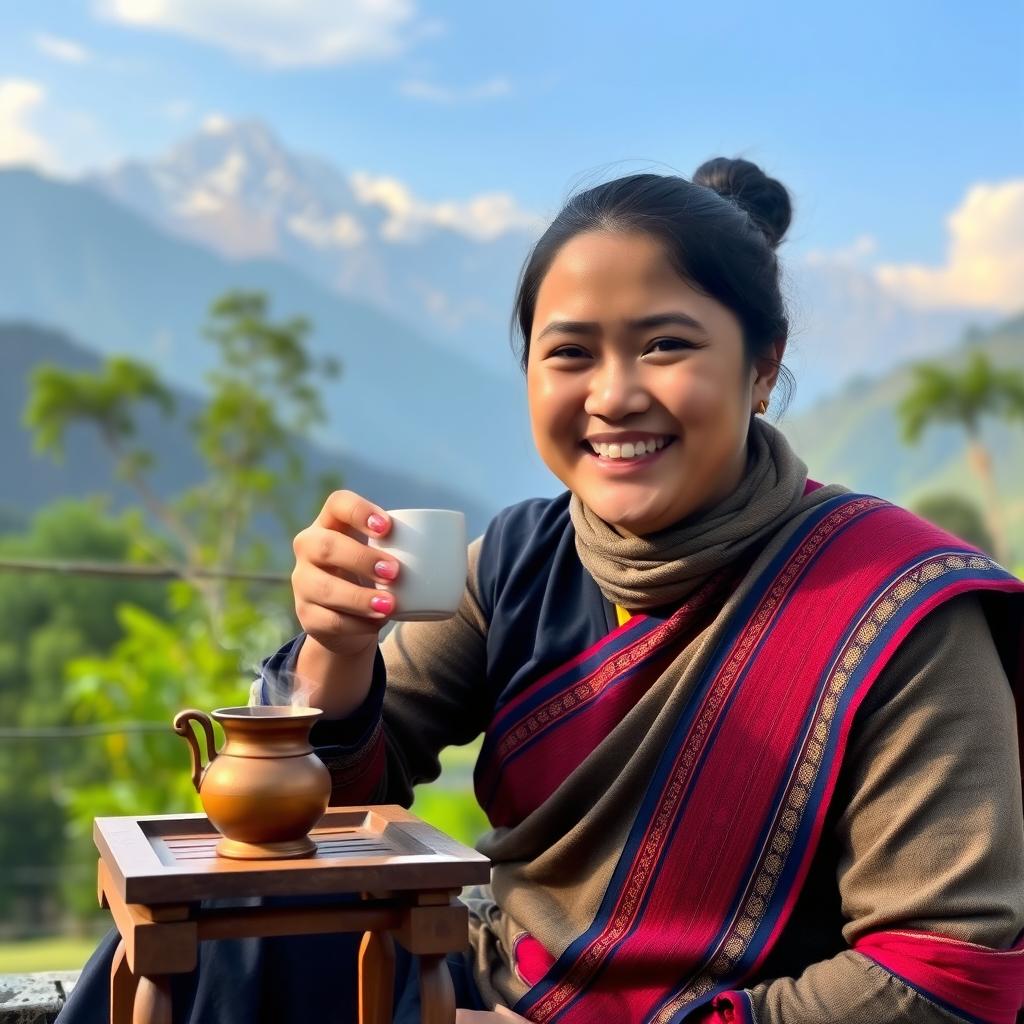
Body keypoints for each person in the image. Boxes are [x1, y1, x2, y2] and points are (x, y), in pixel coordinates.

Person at [59, 158, 1024, 1024]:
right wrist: (335, 648)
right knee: (189, 948)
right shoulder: (518, 559)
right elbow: (330, 806)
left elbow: (948, 974)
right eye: (570, 353)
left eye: (665, 346)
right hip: (486, 995)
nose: (612, 396)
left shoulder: (896, 609)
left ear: (763, 367)